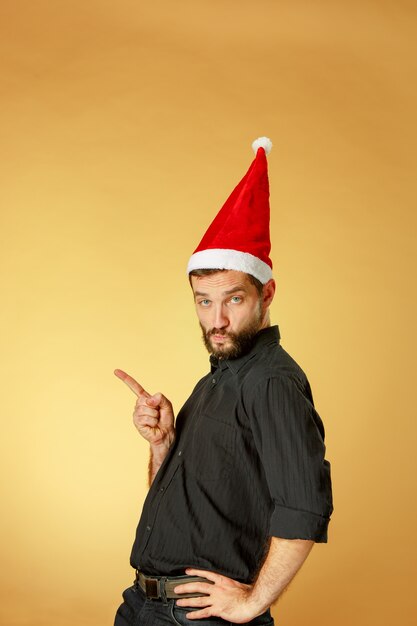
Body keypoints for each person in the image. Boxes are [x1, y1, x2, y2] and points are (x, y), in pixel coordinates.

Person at [113, 138, 333, 626]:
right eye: (203, 301)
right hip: (143, 605)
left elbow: (304, 509)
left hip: (195, 619)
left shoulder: (271, 382)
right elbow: (192, 501)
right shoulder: (219, 377)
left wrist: (253, 603)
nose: (217, 320)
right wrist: (162, 445)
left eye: (233, 299)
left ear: (266, 292)